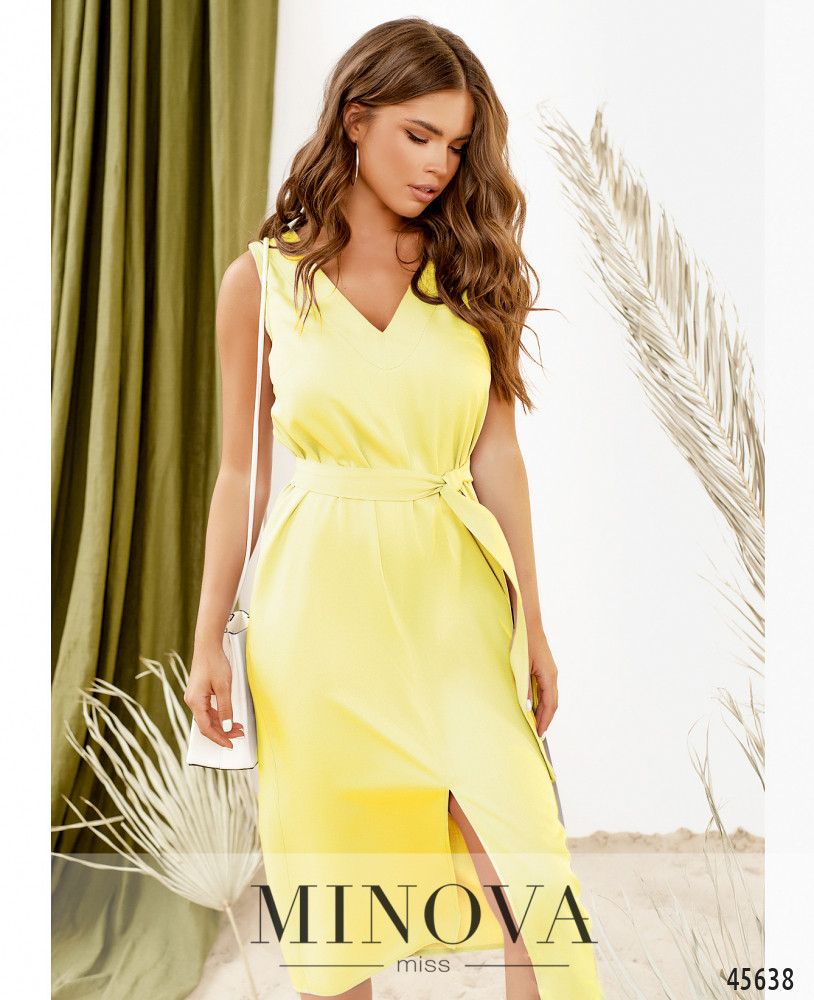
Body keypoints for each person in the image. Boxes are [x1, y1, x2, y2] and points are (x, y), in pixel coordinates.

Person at [186, 16, 604, 1000]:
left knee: (529, 873)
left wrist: (534, 622)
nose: (438, 165)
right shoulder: (260, 282)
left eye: (455, 145)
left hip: (455, 596)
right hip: (316, 615)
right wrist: (209, 640)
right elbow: (241, 476)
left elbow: (497, 454)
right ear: (354, 118)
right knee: (336, 892)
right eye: (419, 135)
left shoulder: (472, 271)